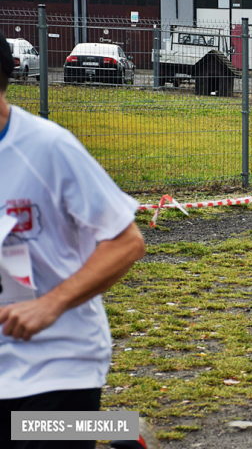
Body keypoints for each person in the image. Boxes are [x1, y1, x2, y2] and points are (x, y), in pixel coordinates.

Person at [0, 31, 150, 448]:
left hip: (56, 355)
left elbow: (127, 243)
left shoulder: (47, 148)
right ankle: (119, 431)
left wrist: (50, 304)